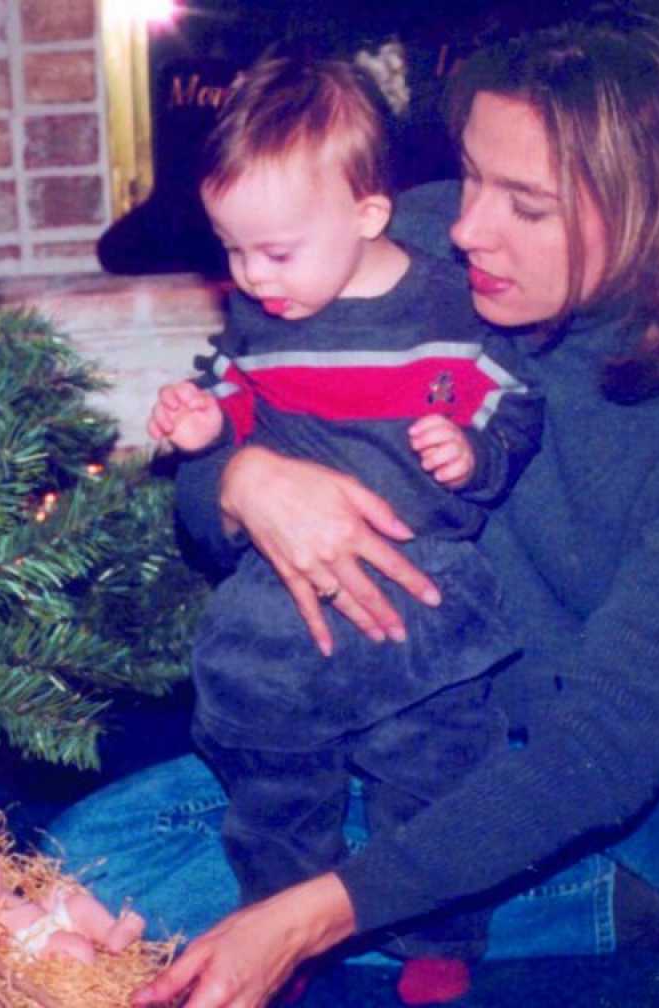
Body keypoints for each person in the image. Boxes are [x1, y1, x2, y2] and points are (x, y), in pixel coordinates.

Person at [44, 4, 659, 1008]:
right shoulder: (407, 236)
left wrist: (307, 918)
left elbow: (601, 758)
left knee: (163, 905)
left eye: (525, 203)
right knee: (81, 861)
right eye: (474, 171)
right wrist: (238, 478)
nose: (466, 222)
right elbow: (243, 392)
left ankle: (618, 910)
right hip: (399, 710)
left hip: (605, 797)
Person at [146, 55, 541, 1006]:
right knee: (269, 777)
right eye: (233, 252)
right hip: (282, 616)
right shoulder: (267, 315)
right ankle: (279, 922)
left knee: (437, 761)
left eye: (276, 252)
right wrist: (208, 431)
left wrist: (472, 454)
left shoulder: (450, 308)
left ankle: (438, 932)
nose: (252, 278)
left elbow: (516, 404)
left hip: (419, 603)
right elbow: (234, 399)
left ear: (369, 214)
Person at [0, 809, 146, 963]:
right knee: (78, 948)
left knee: (78, 903)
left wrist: (44, 904)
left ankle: (111, 934)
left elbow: (15, 902)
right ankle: (88, 958)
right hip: (30, 944)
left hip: (46, 920)